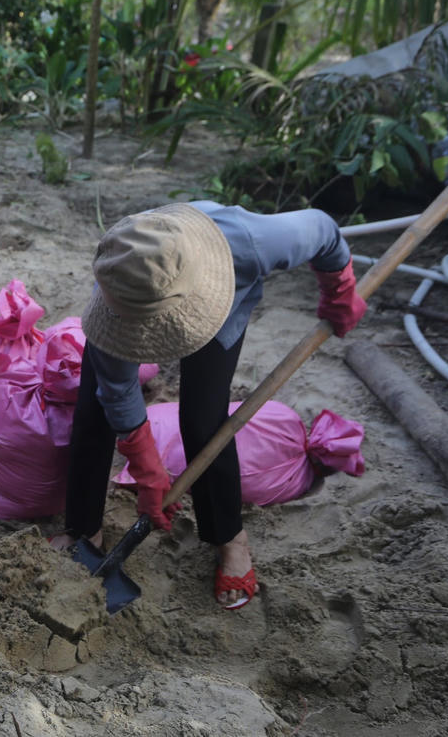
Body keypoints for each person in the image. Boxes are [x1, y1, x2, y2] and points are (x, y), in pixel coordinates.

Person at [51, 201, 366, 609]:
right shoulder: (120, 271)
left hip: (222, 306)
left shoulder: (252, 241)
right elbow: (117, 391)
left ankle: (229, 536)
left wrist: (339, 291)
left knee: (204, 421)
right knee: (95, 407)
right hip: (129, 306)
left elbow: (324, 229)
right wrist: (148, 470)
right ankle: (84, 529)